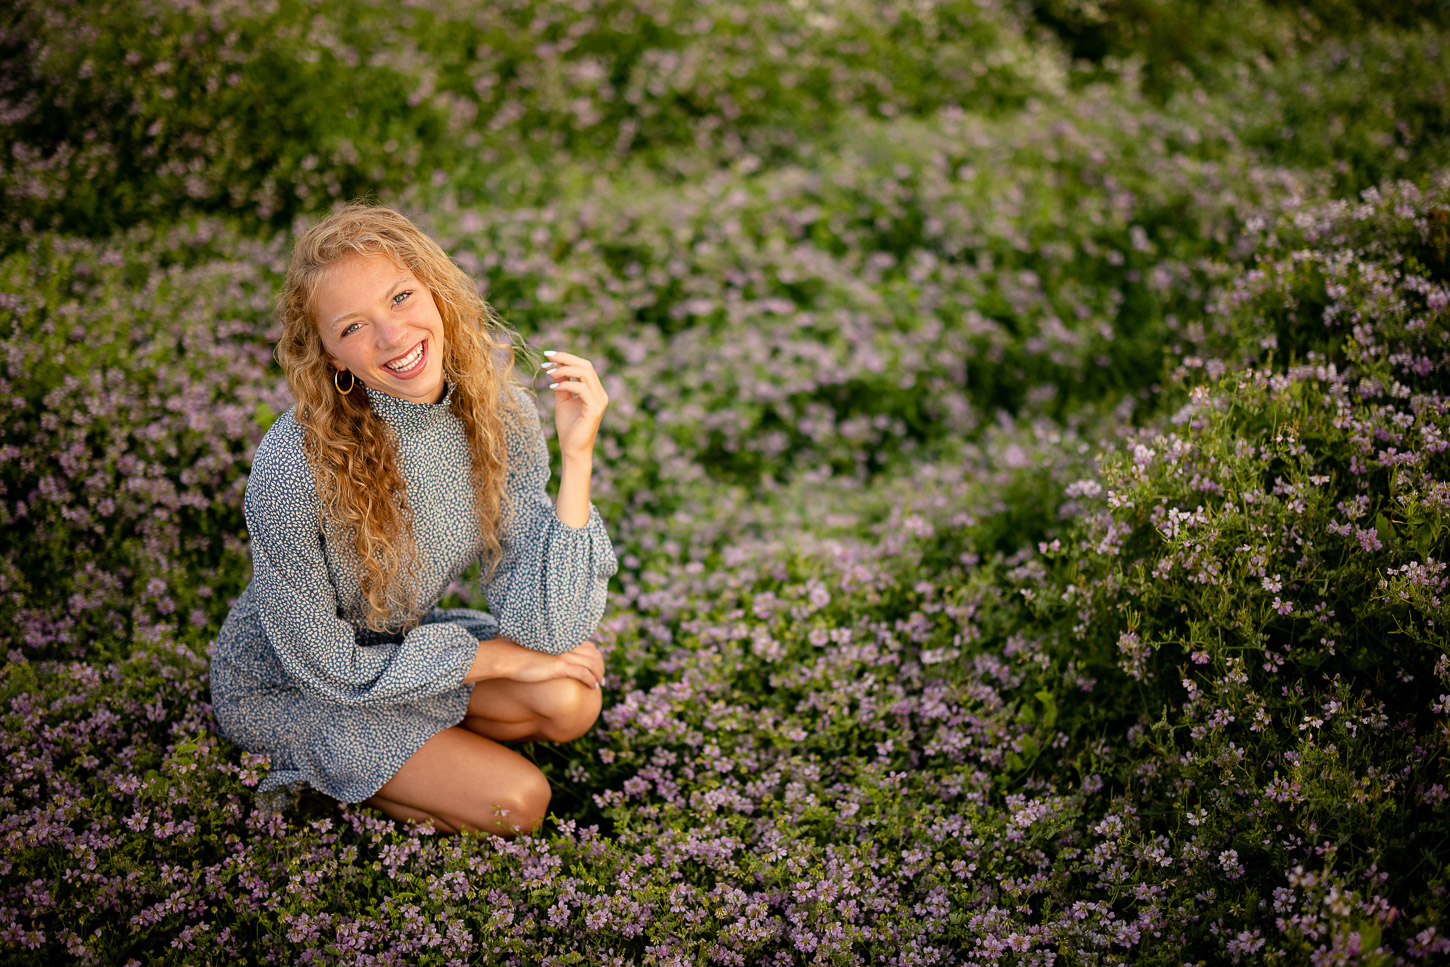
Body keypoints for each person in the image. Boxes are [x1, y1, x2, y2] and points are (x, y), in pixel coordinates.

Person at [209, 201, 618, 837]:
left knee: (570, 701)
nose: (393, 337)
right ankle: (328, 769)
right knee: (520, 801)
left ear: (436, 289)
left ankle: (409, 737)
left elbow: (550, 624)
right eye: (352, 328)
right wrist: (502, 662)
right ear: (331, 357)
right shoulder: (293, 464)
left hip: (398, 646)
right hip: (291, 686)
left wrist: (578, 455)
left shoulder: (495, 408)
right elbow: (325, 665)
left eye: (401, 297)